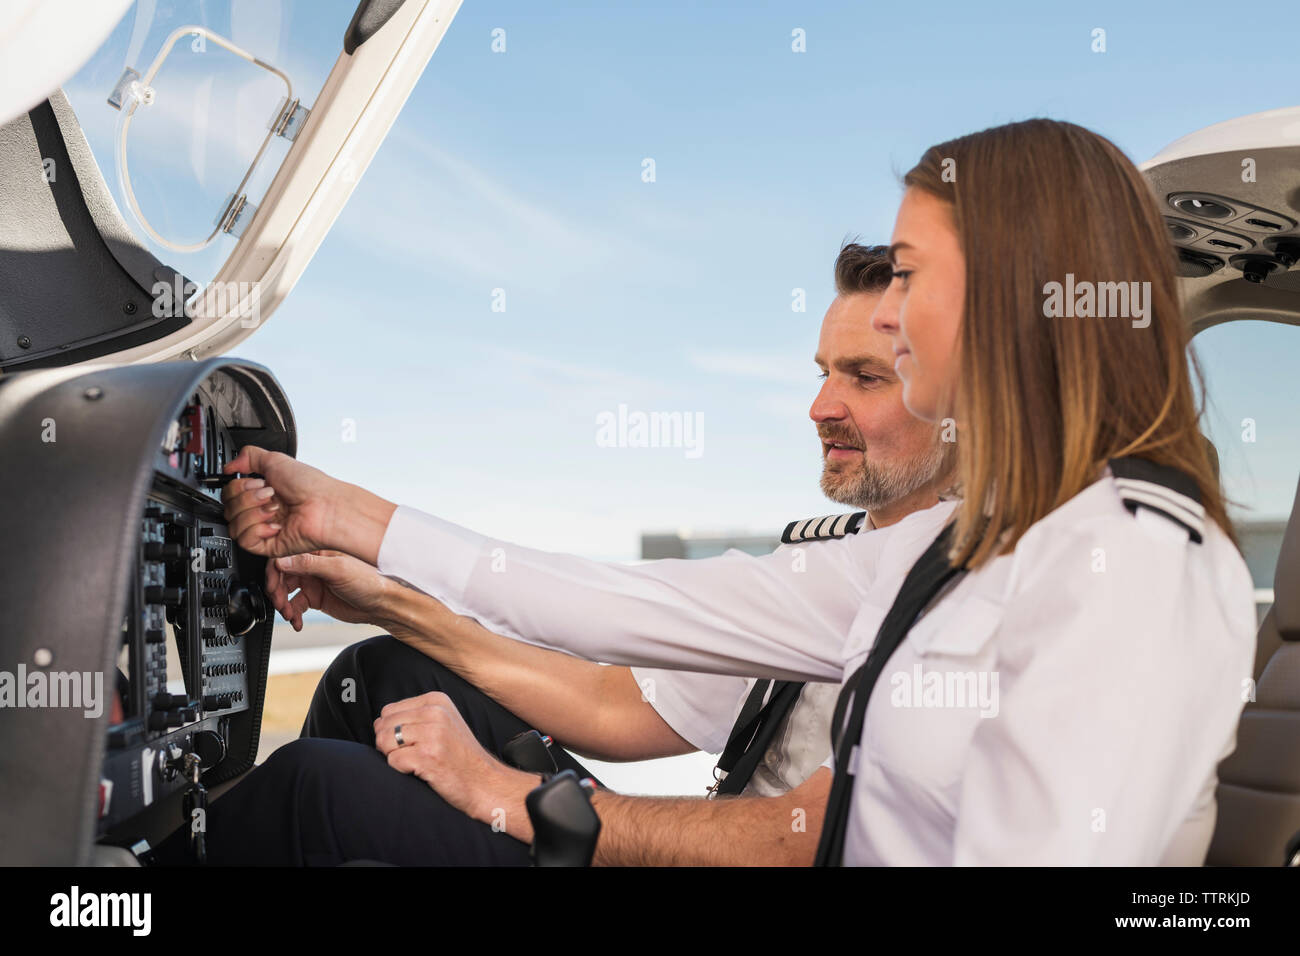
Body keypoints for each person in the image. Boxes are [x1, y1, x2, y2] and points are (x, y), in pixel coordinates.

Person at [222, 119, 1256, 865]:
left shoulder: (1129, 558)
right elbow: (641, 607)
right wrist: (358, 521)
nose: (888, 318)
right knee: (376, 681)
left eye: (907, 275)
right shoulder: (955, 546)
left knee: (313, 793)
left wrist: (521, 800)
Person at [162, 243, 953, 866]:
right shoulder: (842, 557)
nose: (820, 408)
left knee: (315, 793)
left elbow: (798, 844)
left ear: (955, 397)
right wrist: (391, 605)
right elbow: (616, 705)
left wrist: (503, 793)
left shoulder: (961, 585)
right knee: (377, 673)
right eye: (822, 374)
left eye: (869, 378)